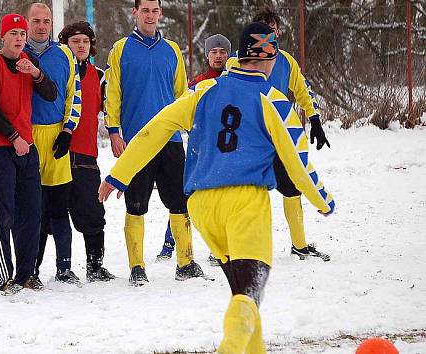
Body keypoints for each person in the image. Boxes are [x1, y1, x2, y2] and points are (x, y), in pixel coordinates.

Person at [99, 22, 335, 353]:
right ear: (269, 58)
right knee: (250, 295)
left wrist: (119, 174)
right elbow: (297, 161)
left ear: (238, 54)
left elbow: (157, 127)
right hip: (245, 203)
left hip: (202, 206)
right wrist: (322, 200)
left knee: (244, 295)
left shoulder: (203, 91)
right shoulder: (273, 98)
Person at [104, 0, 204, 285]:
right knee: (135, 204)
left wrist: (191, 130)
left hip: (171, 140)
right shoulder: (121, 49)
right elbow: (113, 93)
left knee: (180, 202)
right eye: (144, 10)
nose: (150, 15)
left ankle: (186, 262)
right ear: (135, 13)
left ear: (160, 14)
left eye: (154, 10)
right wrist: (113, 131)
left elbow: (182, 95)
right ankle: (137, 267)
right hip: (137, 142)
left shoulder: (171, 50)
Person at [226, 7, 332, 262]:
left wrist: (314, 118)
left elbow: (303, 90)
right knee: (240, 194)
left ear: (278, 31)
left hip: (280, 139)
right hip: (249, 139)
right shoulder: (236, 62)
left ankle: (299, 245)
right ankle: (229, 248)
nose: (269, 33)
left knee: (292, 188)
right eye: (263, 29)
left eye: (272, 28)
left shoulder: (286, 61)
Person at [0, 13, 56, 295]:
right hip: (0, 148)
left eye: (22, 34)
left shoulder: (29, 62)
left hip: (28, 148)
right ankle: (4, 275)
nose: (19, 39)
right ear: (3, 37)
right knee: (3, 213)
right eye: (14, 34)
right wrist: (13, 137)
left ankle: (27, 273)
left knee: (32, 213)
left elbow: (50, 93)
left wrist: (36, 74)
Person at [157, 33, 231, 265]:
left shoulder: (235, 81)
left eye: (222, 52)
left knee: (223, 198)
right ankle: (170, 243)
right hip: (202, 151)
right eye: (214, 52)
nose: (218, 56)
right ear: (207, 55)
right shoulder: (197, 84)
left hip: (228, 150)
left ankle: (219, 247)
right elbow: (184, 114)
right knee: (186, 196)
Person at [23, 3, 83, 285]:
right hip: (26, 138)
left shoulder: (65, 54)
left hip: (56, 135)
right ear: (27, 23)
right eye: (36, 21)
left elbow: (75, 95)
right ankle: (30, 269)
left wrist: (69, 131)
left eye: (46, 21)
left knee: (60, 207)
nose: (42, 26)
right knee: (33, 210)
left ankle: (64, 267)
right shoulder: (16, 54)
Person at [58, 21, 115, 282]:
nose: (81, 46)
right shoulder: (59, 72)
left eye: (85, 41)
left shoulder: (99, 76)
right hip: (57, 152)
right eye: (75, 41)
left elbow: (109, 109)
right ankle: (62, 268)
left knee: (92, 211)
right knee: (54, 213)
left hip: (86, 153)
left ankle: (95, 266)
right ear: (65, 44)